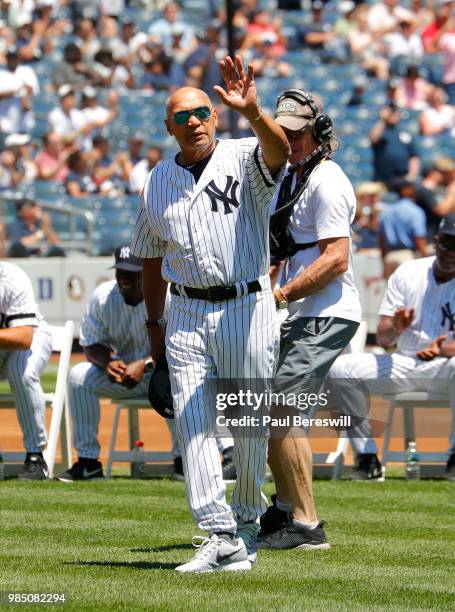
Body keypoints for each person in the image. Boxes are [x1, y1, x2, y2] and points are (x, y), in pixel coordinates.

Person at [131, 55, 289, 573]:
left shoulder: (245, 154)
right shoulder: (157, 179)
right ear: (168, 127)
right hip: (186, 311)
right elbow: (151, 258)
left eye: (201, 112)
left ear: (215, 116)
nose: (193, 121)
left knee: (248, 423)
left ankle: (245, 524)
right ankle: (218, 531)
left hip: (246, 303)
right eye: (181, 116)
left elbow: (280, 151)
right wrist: (155, 330)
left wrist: (255, 111)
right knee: (194, 427)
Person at [257, 89, 361, 551]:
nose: (291, 140)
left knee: (281, 406)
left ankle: (306, 524)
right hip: (301, 308)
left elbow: (336, 258)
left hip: (327, 309)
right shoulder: (290, 177)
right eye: (284, 132)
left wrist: (279, 294)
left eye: (298, 133)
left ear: (318, 133)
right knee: (267, 407)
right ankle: (282, 510)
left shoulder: (328, 180)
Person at [329, 215, 455, 481]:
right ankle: (367, 458)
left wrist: (447, 350)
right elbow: (384, 339)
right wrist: (397, 326)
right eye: (447, 243)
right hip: (406, 361)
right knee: (341, 369)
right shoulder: (409, 272)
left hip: (447, 368)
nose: (451, 252)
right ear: (436, 241)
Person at [57, 246, 179, 482]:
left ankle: (183, 461)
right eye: (121, 271)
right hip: (122, 376)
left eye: (133, 272)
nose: (125, 278)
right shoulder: (103, 297)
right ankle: (88, 461)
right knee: (78, 376)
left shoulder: (167, 296)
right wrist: (108, 363)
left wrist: (144, 364)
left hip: (163, 372)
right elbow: (90, 343)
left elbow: (179, 345)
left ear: (146, 271)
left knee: (180, 375)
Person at [0, 261, 52, 480]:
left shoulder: (11, 277)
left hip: (30, 338)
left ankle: (35, 456)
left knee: (21, 370)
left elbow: (24, 337)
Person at [379, 178, 428, 277]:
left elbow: (382, 241)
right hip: (407, 257)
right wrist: (426, 259)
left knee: (392, 291)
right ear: (405, 190)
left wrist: (384, 263)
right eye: (411, 188)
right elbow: (419, 238)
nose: (414, 190)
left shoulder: (386, 212)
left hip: (390, 257)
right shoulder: (415, 210)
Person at [370, 103, 420, 185]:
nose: (393, 114)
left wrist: (412, 176)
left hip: (403, 179)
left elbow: (414, 156)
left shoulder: (405, 132)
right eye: (391, 112)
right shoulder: (381, 130)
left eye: (395, 112)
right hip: (383, 179)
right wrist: (382, 119)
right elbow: (374, 138)